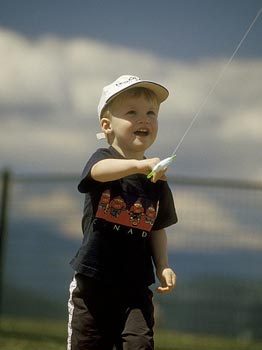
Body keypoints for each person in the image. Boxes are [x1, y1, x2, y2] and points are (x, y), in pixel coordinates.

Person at [67, 75, 178, 350]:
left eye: (151, 113)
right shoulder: (103, 159)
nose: (145, 119)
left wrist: (162, 264)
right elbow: (96, 173)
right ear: (107, 126)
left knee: (140, 344)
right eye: (132, 112)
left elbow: (156, 227)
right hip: (93, 283)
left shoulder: (156, 179)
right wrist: (136, 166)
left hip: (135, 286)